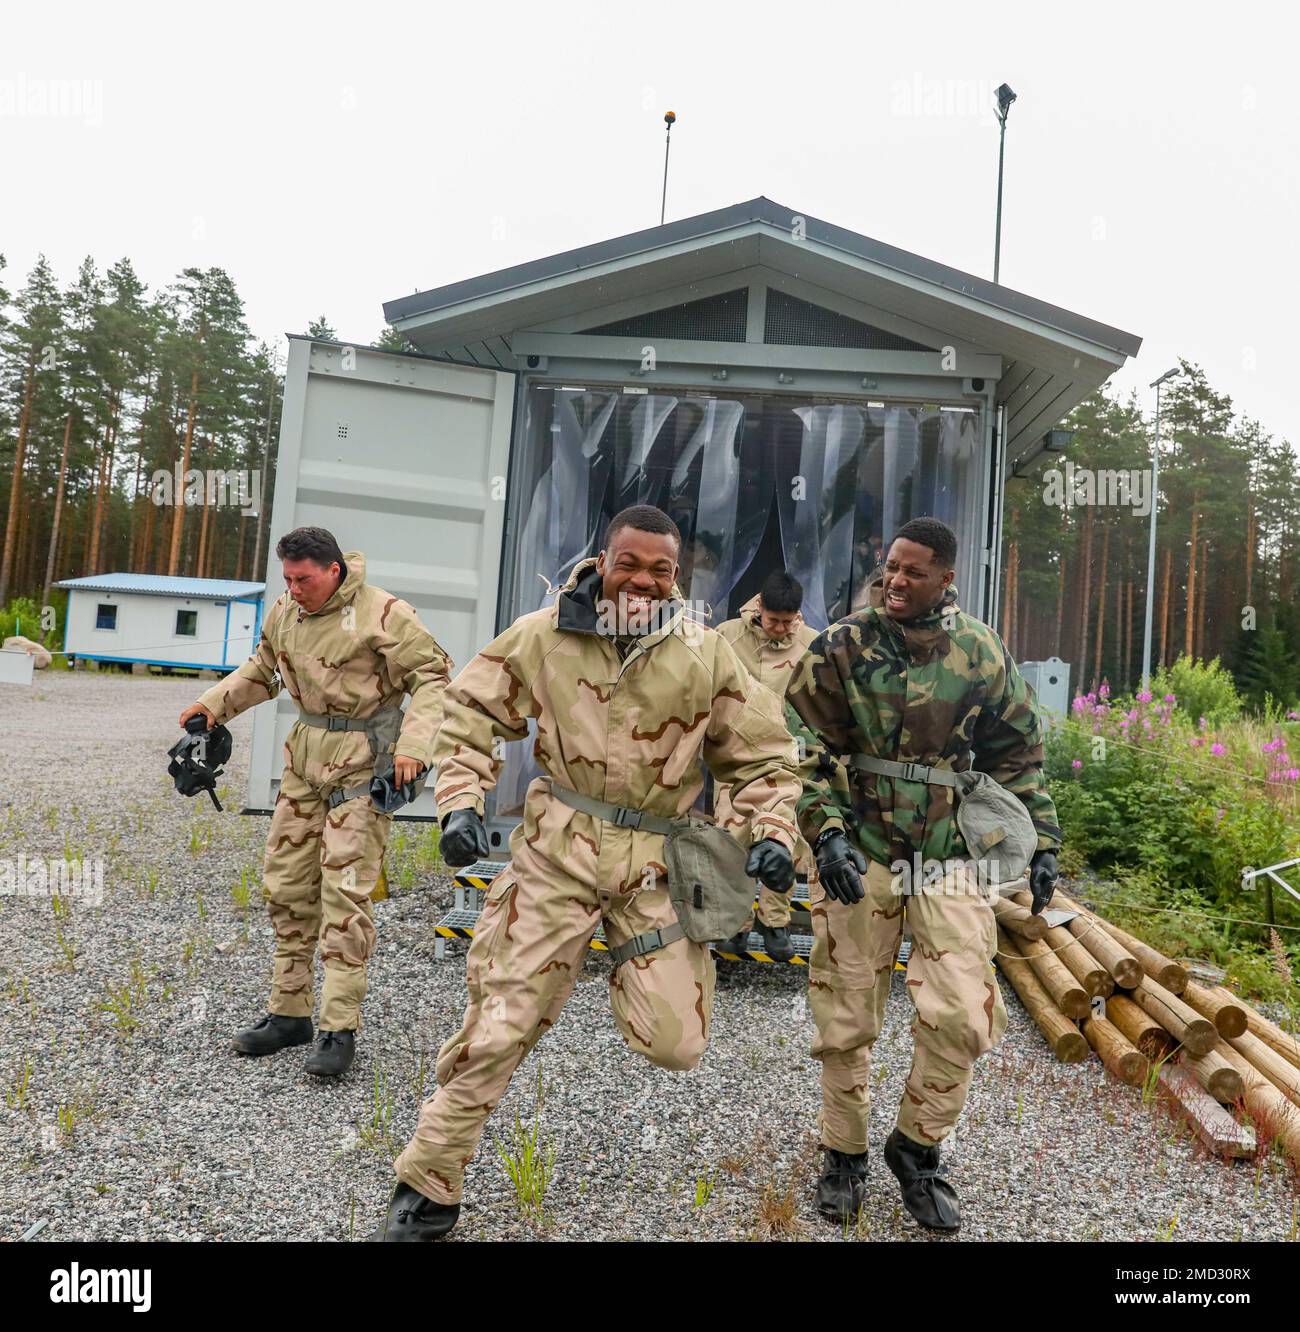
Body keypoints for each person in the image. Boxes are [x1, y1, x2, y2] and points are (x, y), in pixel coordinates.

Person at [376, 504, 801, 1240]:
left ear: (679, 576)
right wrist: (460, 803)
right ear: (604, 561)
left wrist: (772, 831)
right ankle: (429, 1179)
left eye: (661, 568)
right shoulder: (545, 635)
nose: (643, 579)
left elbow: (764, 754)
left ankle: (607, 969)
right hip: (556, 853)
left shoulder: (703, 653)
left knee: (677, 1043)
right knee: (502, 1023)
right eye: (629, 562)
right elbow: (470, 712)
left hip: (656, 866)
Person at [785, 516, 1061, 1232]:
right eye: (889, 568)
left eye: (913, 571)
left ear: (946, 576)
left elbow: (1017, 756)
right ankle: (842, 1153)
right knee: (846, 1013)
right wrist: (829, 833)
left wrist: (1043, 842)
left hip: (947, 855)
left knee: (965, 1014)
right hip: (862, 850)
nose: (895, 581)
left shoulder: (979, 649)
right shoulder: (843, 645)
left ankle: (917, 1147)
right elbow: (803, 747)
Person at [179, 526, 451, 1078]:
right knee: (285, 887)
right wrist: (211, 707)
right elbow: (263, 670)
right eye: (287, 578)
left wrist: (416, 748)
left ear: (333, 570)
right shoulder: (285, 611)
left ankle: (338, 1027)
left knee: (346, 895)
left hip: (364, 765)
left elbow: (433, 678)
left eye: (303, 579)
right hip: (304, 766)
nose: (294, 588)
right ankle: (289, 1014)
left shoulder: (384, 613)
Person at [713, 569, 819, 962]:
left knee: (782, 840)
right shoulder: (727, 637)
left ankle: (774, 923)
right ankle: (736, 926)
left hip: (788, 756)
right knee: (732, 842)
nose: (779, 629)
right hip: (734, 757)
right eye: (774, 620)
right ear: (759, 608)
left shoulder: (812, 645)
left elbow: (819, 699)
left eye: (787, 622)